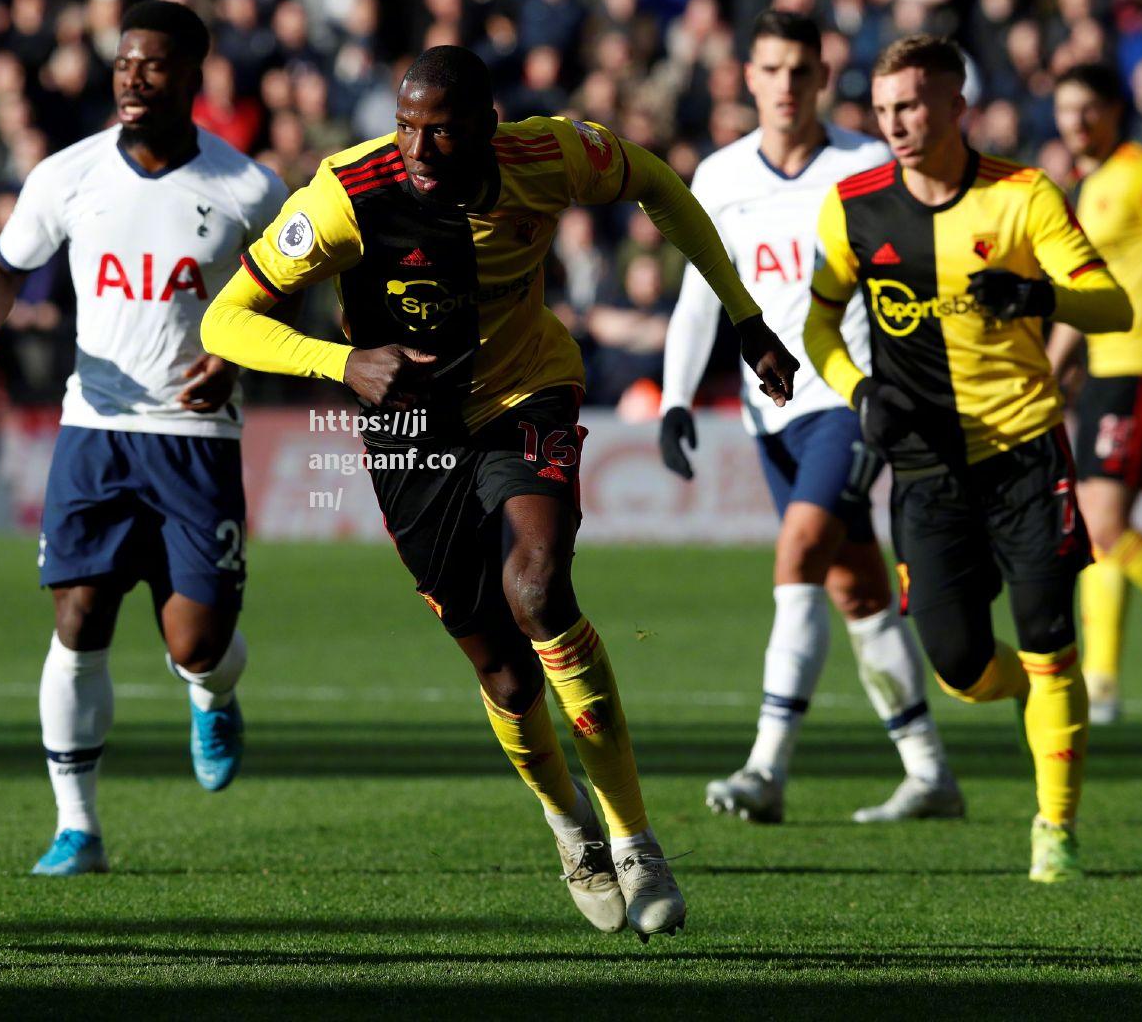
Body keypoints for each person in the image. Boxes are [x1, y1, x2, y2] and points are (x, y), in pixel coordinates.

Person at [201, 45, 797, 939]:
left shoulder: (549, 156)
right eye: (406, 125)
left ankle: (637, 840)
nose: (418, 146)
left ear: (486, 124)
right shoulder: (345, 196)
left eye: (439, 128)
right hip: (410, 434)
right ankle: (571, 828)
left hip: (527, 394)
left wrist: (745, 317)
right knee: (503, 670)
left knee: (539, 589)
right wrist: (343, 362)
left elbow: (664, 187)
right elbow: (226, 318)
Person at [0, 1, 289, 876]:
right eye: (124, 64)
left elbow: (293, 285)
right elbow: (9, 263)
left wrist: (237, 359)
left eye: (153, 65)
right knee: (79, 617)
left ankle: (212, 696)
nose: (134, 79)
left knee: (196, 646)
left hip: (194, 435)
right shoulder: (68, 175)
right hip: (94, 426)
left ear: (193, 75)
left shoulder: (247, 188)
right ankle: (77, 827)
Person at [804, 35, 1131, 883]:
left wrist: (1039, 295)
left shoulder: (1023, 195)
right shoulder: (853, 206)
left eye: (911, 105)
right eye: (882, 110)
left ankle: (1054, 828)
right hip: (924, 470)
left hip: (1026, 454)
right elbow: (817, 322)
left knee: (1051, 640)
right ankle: (1036, 699)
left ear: (957, 107)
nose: (896, 125)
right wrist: (857, 390)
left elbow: (1115, 305)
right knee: (957, 669)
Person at [659, 11, 960, 825]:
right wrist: (677, 397)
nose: (787, 85)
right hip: (771, 415)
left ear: (824, 77)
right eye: (772, 69)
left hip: (852, 401)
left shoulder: (866, 165)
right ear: (746, 78)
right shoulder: (719, 177)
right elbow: (698, 297)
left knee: (798, 553)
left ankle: (765, 768)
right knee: (856, 588)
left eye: (802, 70)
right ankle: (930, 773)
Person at [1049, 64, 1142, 724]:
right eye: (1065, 109)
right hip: (1105, 368)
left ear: (1111, 111)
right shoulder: (1089, 186)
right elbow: (1084, 294)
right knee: (1097, 526)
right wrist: (1053, 366)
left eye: (1088, 109)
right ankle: (1101, 681)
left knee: (1103, 521)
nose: (1076, 121)